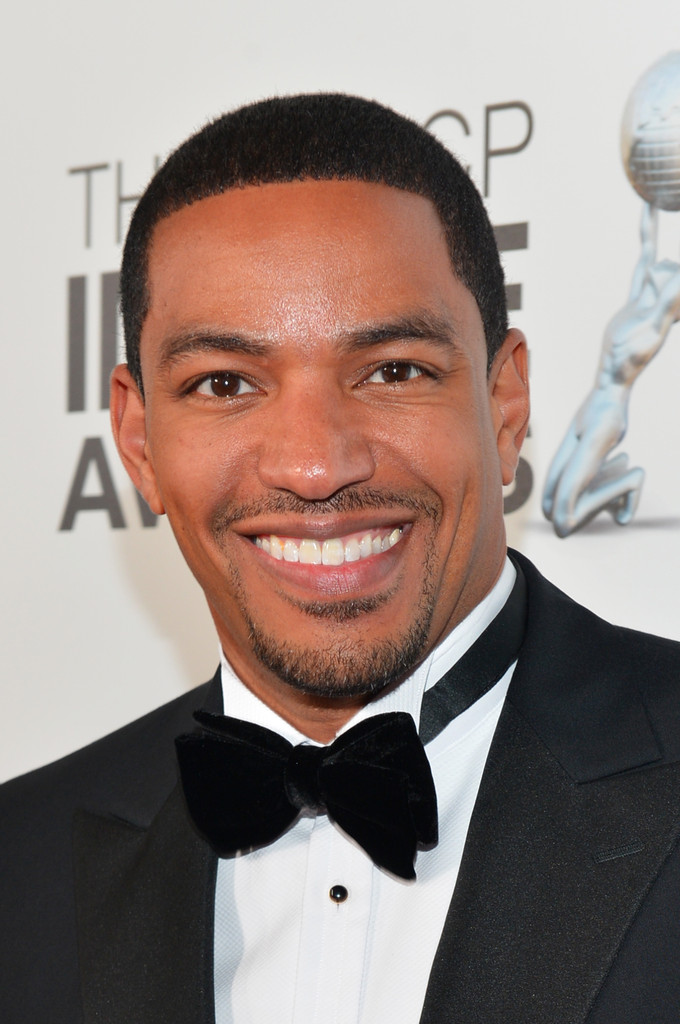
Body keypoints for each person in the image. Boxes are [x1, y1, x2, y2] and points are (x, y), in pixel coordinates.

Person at [2, 94, 680, 1024]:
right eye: (224, 384)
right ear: (138, 440)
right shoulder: (21, 866)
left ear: (505, 404)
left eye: (393, 371)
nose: (316, 466)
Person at [542, 203, 680, 537]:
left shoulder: (655, 323)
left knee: (564, 520)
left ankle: (629, 482)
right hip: (588, 408)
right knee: (547, 504)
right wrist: (649, 197)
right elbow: (647, 243)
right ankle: (610, 472)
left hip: (608, 418)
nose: (666, 262)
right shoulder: (636, 302)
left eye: (673, 268)